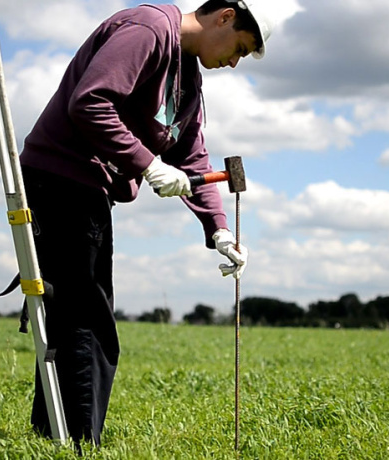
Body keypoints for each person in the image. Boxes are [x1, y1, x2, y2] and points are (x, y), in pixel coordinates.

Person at [19, 0, 271, 447]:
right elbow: (90, 102)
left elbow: (193, 155)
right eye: (240, 48)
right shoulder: (149, 29)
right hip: (60, 179)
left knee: (72, 314)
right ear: (226, 16)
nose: (233, 63)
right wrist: (148, 165)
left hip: (87, 192)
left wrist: (220, 230)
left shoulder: (187, 75)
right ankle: (78, 443)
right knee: (86, 319)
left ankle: (51, 436)